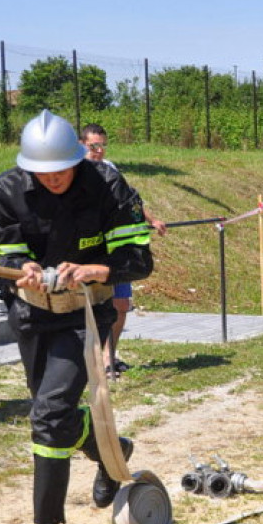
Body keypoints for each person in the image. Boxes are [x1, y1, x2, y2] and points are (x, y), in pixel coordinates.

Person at [0, 110, 153, 524]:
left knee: (47, 415)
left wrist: (98, 270)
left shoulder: (108, 185)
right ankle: (108, 448)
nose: (54, 179)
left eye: (62, 169)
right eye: (43, 174)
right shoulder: (6, 189)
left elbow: (138, 258)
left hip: (85, 314)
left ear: (78, 158)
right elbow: (5, 250)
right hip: (31, 315)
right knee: (53, 414)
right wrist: (23, 266)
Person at [79, 124, 166, 378]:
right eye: (94, 146)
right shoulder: (75, 172)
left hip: (117, 251)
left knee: (121, 304)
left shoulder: (111, 169)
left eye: (103, 145)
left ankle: (110, 356)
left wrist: (151, 220)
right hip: (92, 252)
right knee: (96, 307)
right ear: (81, 144)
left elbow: (130, 201)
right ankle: (92, 360)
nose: (99, 150)